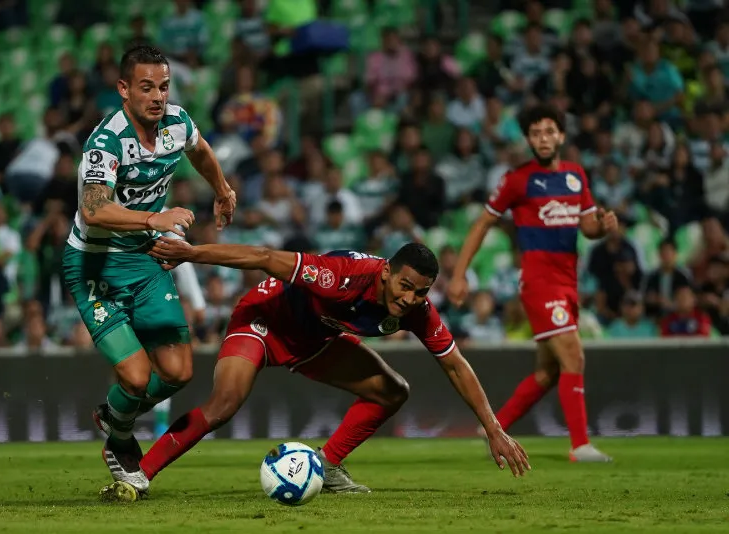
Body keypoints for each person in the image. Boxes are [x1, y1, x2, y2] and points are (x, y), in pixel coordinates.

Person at [99, 241, 530, 500]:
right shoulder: (341, 276)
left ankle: (327, 465)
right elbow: (263, 256)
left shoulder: (417, 310)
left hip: (313, 340)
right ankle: (139, 475)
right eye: (405, 286)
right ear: (386, 273)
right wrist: (192, 253)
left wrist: (493, 428)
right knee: (225, 404)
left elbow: (455, 364)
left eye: (421, 292)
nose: (410, 299)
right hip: (264, 319)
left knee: (393, 391)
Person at [60, 45, 236, 493]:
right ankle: (120, 439)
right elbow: (94, 208)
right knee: (136, 377)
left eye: (163, 86)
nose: (157, 96)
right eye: (146, 87)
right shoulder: (106, 141)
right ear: (124, 89)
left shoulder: (178, 123)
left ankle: (111, 415)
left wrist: (221, 189)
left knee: (178, 372)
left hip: (143, 258)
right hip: (95, 266)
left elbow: (200, 150)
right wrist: (152, 218)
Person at [447, 104, 617, 462]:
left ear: (561, 136)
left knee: (548, 371)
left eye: (549, 131)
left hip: (568, 282)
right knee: (573, 356)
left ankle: (494, 428)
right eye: (536, 133)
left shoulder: (575, 176)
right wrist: (460, 274)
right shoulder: (517, 180)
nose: (543, 138)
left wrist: (602, 227)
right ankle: (579, 445)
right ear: (528, 139)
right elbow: (483, 223)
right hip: (540, 283)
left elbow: (588, 226)